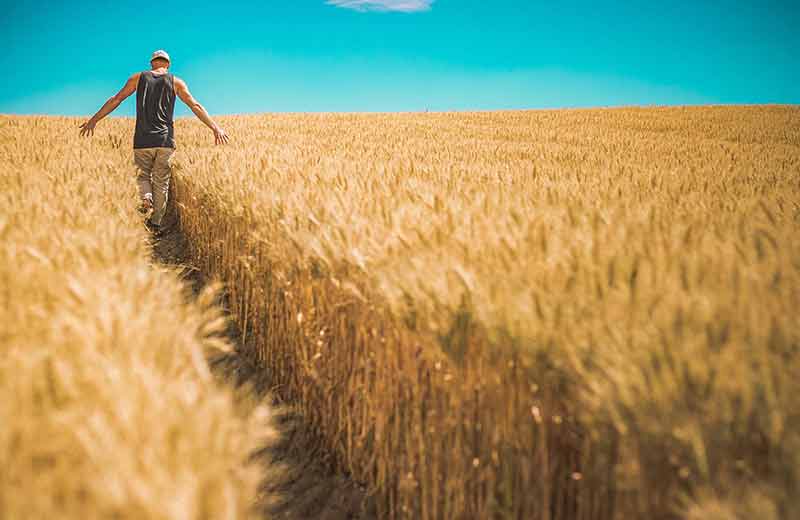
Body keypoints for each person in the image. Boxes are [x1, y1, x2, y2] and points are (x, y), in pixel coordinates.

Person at [79, 50, 229, 235]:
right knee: (161, 182)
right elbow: (194, 105)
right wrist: (215, 128)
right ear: (168, 64)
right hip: (165, 141)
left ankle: (146, 197)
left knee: (142, 176)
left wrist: (94, 120)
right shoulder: (176, 82)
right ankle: (156, 222)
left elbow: (116, 99)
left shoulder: (137, 78)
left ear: (152, 63)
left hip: (142, 139)